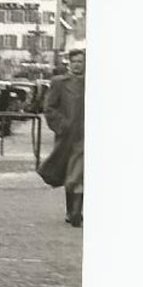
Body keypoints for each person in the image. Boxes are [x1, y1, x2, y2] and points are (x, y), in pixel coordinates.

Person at [41, 48, 85, 226]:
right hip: (67, 136)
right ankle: (71, 211)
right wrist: (61, 126)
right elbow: (49, 108)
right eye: (74, 61)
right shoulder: (59, 83)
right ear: (69, 63)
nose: (77, 65)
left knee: (79, 172)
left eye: (80, 61)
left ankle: (76, 212)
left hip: (85, 135)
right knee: (70, 172)